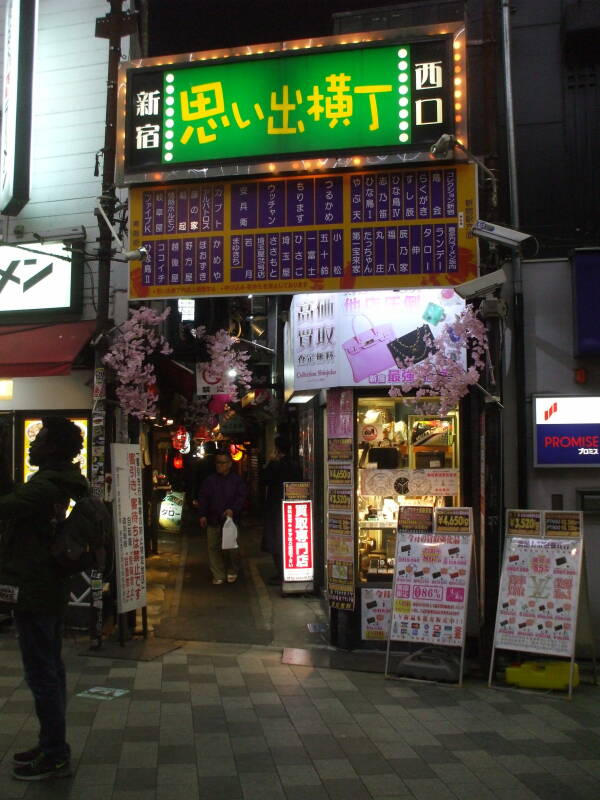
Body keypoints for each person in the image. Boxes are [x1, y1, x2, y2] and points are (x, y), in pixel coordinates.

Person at [0, 417, 88, 781]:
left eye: (39, 439)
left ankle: (54, 753)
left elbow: (6, 506)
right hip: (46, 586)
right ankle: (51, 744)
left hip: (36, 588)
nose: (32, 445)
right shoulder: (55, 481)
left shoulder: (46, 486)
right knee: (51, 668)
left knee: (42, 674)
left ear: (52, 448)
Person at [197, 449, 248, 585]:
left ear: (230, 464)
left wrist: (233, 509)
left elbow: (241, 498)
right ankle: (218, 573)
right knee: (213, 547)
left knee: (231, 548)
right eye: (218, 463)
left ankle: (232, 570)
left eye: (223, 463)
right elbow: (203, 498)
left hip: (230, 520)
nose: (220, 465)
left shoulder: (236, 480)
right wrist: (202, 514)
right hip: (213, 519)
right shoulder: (209, 481)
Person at [261, 436, 302, 584]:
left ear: (277, 449)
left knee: (275, 540)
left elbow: (264, 480)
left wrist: (270, 462)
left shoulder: (275, 465)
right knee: (290, 539)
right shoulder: (295, 465)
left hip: (275, 507)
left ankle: (281, 573)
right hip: (293, 506)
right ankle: (291, 570)